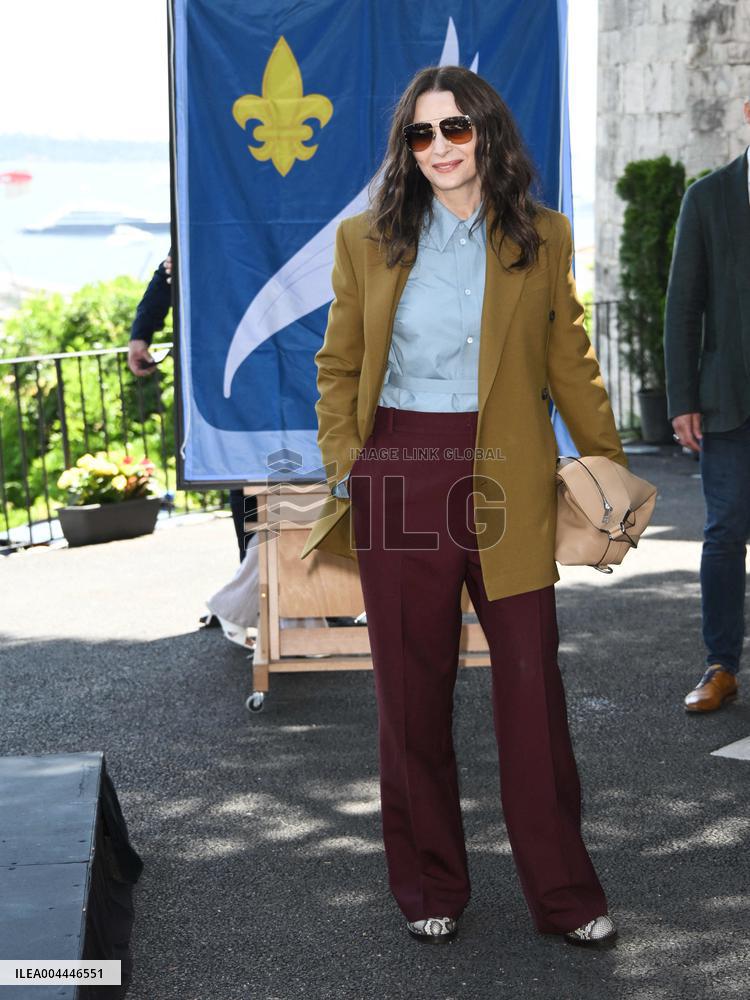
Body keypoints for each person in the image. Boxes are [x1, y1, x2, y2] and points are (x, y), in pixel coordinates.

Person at [300, 66, 627, 948]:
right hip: (401, 471)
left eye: (455, 130)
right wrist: (350, 469)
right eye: (419, 134)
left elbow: (573, 366)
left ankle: (564, 895)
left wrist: (610, 472)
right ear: (406, 148)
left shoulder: (542, 235)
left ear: (487, 134)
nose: (438, 147)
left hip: (507, 474)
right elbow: (337, 367)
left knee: (532, 691)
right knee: (411, 695)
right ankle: (429, 885)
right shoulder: (366, 240)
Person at [664, 99, 750, 714]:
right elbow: (682, 306)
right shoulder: (708, 197)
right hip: (729, 402)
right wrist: (682, 398)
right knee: (724, 534)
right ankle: (721, 666)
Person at [127, 249, 256, 561]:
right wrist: (141, 333)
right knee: (245, 477)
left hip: (260, 361)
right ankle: (257, 587)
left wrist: (141, 334)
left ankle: (273, 590)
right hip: (230, 365)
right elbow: (167, 270)